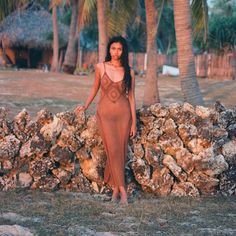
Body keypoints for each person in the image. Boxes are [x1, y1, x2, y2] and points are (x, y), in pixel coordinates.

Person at [75, 36, 137, 205]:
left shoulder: (129, 71)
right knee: (113, 149)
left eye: (119, 49)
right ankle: (123, 190)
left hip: (124, 116)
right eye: (113, 48)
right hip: (105, 115)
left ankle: (116, 190)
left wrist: (134, 122)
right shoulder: (100, 67)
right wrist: (86, 106)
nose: (116, 52)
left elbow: (131, 97)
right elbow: (94, 88)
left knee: (120, 151)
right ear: (109, 50)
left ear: (123, 51)